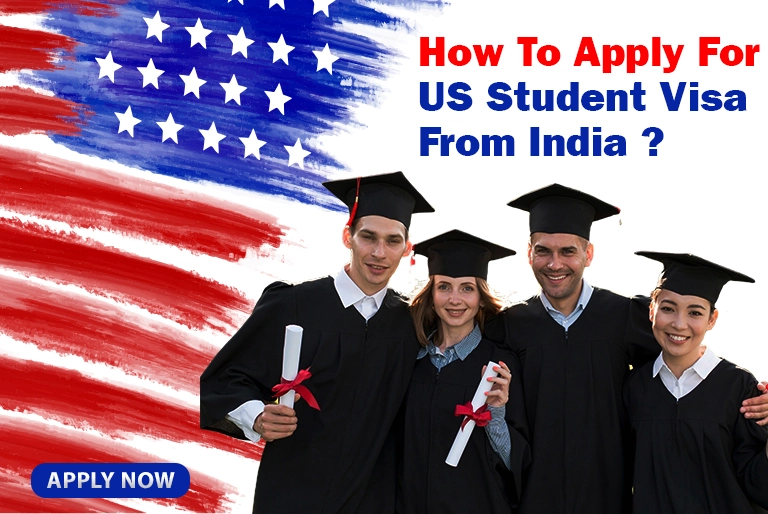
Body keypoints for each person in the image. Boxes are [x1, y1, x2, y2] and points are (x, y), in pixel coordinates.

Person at [483, 183, 768, 514]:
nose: (555, 263)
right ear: (530, 252)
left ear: (588, 254)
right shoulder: (509, 326)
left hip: (610, 499)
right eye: (544, 251)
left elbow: (685, 349)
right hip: (532, 498)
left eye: (568, 251)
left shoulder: (623, 316)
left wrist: (750, 392)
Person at [200, 172, 433, 513]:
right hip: (293, 493)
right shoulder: (292, 305)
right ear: (347, 236)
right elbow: (223, 381)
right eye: (368, 237)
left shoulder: (412, 324)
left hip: (374, 499)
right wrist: (257, 416)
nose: (380, 253)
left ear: (407, 248)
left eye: (393, 241)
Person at [624, 251, 768, 513]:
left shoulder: (739, 387)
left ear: (712, 319)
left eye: (695, 313)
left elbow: (759, 485)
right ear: (651, 310)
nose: (679, 324)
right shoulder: (634, 387)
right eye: (668, 309)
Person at [400, 230, 530, 514]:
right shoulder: (411, 361)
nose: (455, 299)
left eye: (467, 288)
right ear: (431, 295)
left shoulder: (500, 366)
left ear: (481, 298)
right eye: (444, 286)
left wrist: (495, 415)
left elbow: (514, 462)